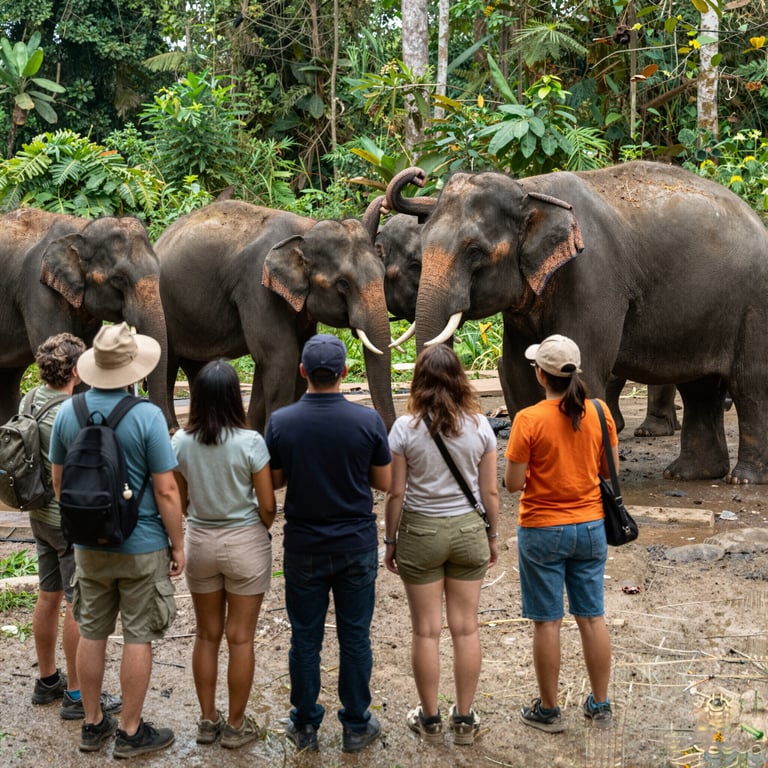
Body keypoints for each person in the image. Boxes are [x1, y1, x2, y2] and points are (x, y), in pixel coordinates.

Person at [50, 322, 185, 757]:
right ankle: (130, 732)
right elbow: (166, 490)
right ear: (134, 369)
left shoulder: (68, 414)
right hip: (141, 544)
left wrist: (85, 524)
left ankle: (92, 724)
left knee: (92, 631)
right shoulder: (146, 416)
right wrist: (177, 544)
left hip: (89, 547)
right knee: (137, 636)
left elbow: (59, 483)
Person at [265, 333, 391, 754]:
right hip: (355, 544)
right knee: (355, 637)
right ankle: (356, 723)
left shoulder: (281, 422)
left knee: (305, 638)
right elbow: (384, 482)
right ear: (344, 373)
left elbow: (276, 482)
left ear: (303, 372)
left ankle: (304, 724)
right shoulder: (369, 421)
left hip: (303, 546)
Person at [383, 344, 499, 746]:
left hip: (420, 533)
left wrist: (390, 540)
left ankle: (430, 719)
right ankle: (464, 720)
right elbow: (490, 493)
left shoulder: (404, 429)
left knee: (426, 632)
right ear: (460, 379)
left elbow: (395, 494)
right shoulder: (481, 427)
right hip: (469, 532)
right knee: (466, 628)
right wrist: (493, 536)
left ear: (418, 381)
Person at [503, 334, 615, 733]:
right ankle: (600, 705)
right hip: (590, 527)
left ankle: (548, 710)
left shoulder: (528, 420)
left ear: (540, 375)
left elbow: (513, 484)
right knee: (591, 616)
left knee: (547, 622)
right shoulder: (599, 412)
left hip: (542, 530)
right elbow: (607, 471)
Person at [171, 360, 276, 749]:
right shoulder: (251, 443)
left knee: (206, 634)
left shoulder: (180, 443)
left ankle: (206, 719)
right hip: (245, 540)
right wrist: (259, 526)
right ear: (236, 396)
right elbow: (268, 505)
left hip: (200, 539)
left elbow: (180, 499)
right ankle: (235, 725)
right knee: (241, 638)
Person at [28, 333, 121, 720]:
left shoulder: (30, 398)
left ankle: (46, 678)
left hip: (36, 514)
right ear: (76, 371)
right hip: (64, 520)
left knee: (47, 595)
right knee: (75, 603)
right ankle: (75, 693)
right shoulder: (72, 411)